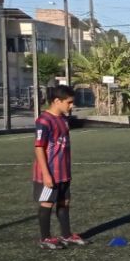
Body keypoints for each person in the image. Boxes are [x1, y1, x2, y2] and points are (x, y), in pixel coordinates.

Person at [33, 85, 87, 250]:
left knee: (64, 202)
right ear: (57, 101)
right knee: (47, 203)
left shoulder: (63, 119)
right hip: (49, 172)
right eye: (69, 102)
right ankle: (45, 238)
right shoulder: (44, 120)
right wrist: (47, 175)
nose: (71, 106)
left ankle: (66, 235)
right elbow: (39, 148)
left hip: (63, 171)